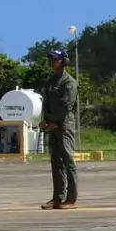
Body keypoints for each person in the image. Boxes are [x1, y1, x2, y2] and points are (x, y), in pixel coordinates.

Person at [41, 46, 80, 209]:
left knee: (68, 160)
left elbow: (66, 105)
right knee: (55, 161)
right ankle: (58, 196)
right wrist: (46, 120)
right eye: (51, 59)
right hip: (53, 125)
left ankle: (71, 198)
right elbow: (46, 103)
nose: (52, 62)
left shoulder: (69, 82)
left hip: (64, 125)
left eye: (56, 59)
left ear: (63, 61)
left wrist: (53, 120)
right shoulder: (51, 81)